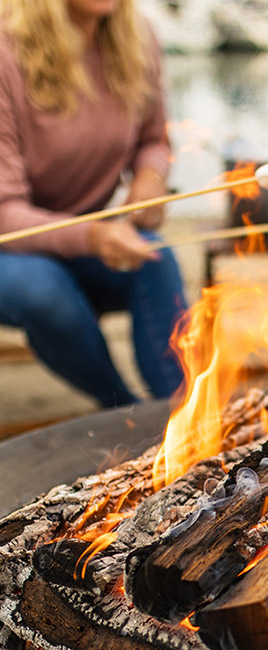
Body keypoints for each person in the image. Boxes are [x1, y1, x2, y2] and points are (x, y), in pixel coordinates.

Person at [0, 0, 186, 408]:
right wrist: (94, 235)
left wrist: (150, 180)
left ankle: (185, 416)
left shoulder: (137, 36)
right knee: (43, 291)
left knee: (156, 258)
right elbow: (5, 214)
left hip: (81, 234)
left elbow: (154, 140)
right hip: (9, 244)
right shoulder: (5, 50)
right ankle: (122, 411)